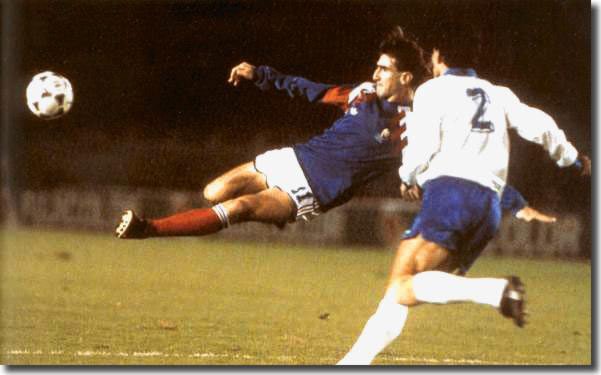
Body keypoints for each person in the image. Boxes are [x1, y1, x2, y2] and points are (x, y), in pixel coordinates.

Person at [115, 27, 552, 240]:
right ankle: (255, 215)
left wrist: (511, 202)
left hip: (315, 190)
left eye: (383, 69)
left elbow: (462, 163)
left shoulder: (419, 122)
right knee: (213, 192)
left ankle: (147, 229)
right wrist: (261, 74)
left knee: (242, 206)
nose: (373, 72)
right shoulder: (360, 94)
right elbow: (313, 91)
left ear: (404, 78)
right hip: (292, 156)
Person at [336, 25, 591, 365]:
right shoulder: (497, 93)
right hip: (488, 208)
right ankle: (350, 365)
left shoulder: (432, 91)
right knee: (406, 289)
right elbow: (540, 125)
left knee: (401, 286)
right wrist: (571, 158)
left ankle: (494, 291)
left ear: (438, 56)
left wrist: (407, 175)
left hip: (451, 194)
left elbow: (422, 146)